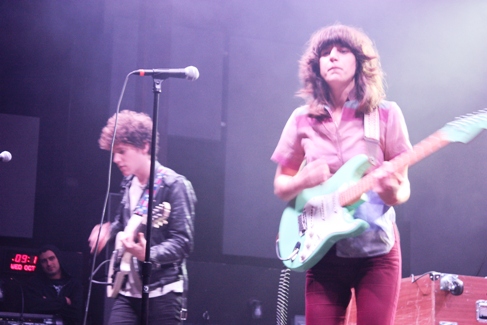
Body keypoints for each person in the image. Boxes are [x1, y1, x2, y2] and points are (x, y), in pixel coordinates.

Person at [271, 24, 412, 325]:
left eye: (342, 50)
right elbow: (282, 186)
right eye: (325, 53)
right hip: (323, 252)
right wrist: (304, 180)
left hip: (376, 250)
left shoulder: (386, 114)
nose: (332, 57)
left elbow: (403, 189)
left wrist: (391, 191)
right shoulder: (301, 119)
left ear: (360, 62)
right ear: (316, 66)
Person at [88, 110, 196, 325]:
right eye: (113, 152)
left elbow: (183, 243)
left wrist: (149, 253)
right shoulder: (128, 183)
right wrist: (109, 229)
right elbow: (124, 222)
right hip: (128, 291)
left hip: (163, 294)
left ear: (145, 146)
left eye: (122, 151)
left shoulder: (175, 185)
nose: (116, 159)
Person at [25, 244, 83, 325]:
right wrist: (64, 301)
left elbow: (76, 314)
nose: (48, 263)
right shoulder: (34, 284)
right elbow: (33, 308)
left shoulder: (74, 284)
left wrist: (47, 303)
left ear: (58, 258)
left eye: (51, 258)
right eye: (44, 261)